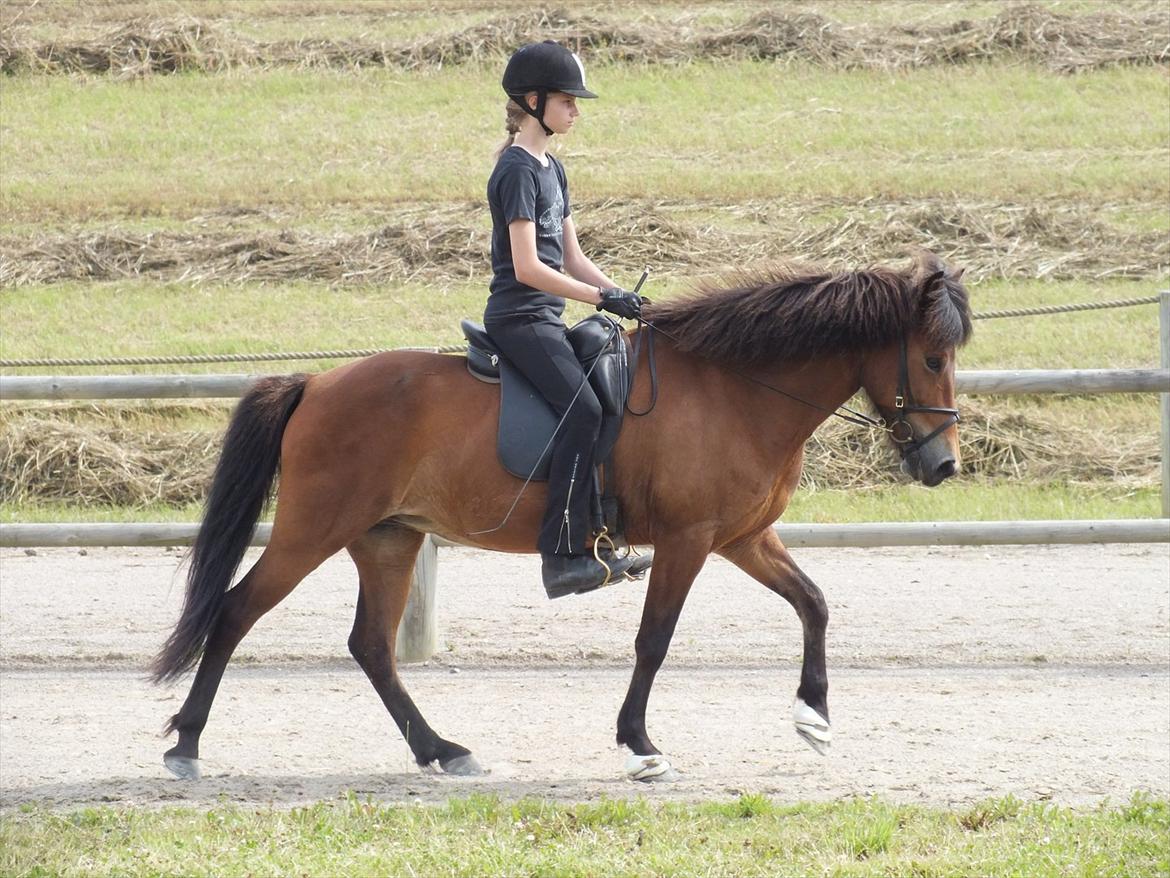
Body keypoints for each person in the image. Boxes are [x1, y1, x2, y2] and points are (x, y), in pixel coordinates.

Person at [485, 41, 645, 599]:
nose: (576, 110)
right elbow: (529, 267)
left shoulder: (553, 167)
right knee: (584, 412)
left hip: (548, 316)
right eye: (567, 100)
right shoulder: (516, 171)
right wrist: (597, 301)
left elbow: (571, 257)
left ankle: (597, 532)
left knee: (612, 391)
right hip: (519, 317)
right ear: (533, 101)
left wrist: (616, 290)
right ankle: (560, 556)